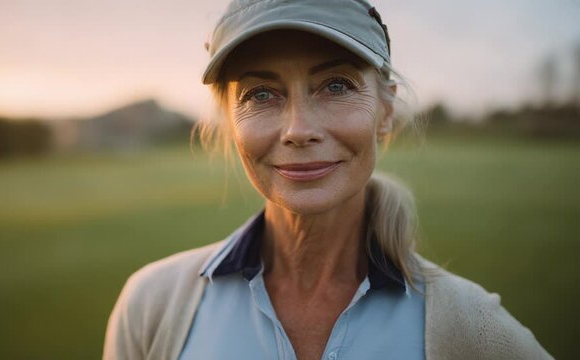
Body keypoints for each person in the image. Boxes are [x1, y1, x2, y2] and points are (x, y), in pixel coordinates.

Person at [103, 1, 552, 359]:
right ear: (229, 122)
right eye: (260, 94)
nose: (298, 129)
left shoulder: (470, 327)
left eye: (336, 85)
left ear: (386, 109)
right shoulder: (153, 306)